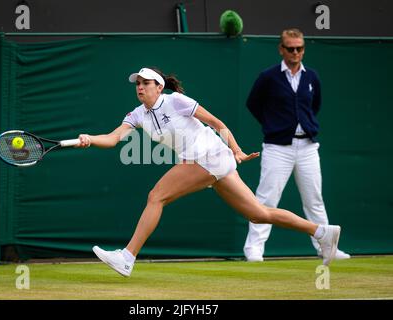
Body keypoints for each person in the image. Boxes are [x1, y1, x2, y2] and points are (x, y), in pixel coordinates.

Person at [75, 66, 342, 277]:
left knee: (157, 196)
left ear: (159, 86)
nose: (140, 87)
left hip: (210, 155)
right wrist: (89, 138)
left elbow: (216, 122)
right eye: (138, 84)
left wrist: (236, 150)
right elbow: (112, 138)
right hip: (208, 161)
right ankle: (321, 232)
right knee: (258, 214)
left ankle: (127, 257)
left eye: (146, 83)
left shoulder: (176, 101)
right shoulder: (137, 114)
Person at [243, 28, 350, 262]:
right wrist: (274, 124)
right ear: (281, 49)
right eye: (290, 48)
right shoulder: (268, 77)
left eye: (299, 48)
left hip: (308, 146)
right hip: (277, 147)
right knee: (266, 198)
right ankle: (254, 249)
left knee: (314, 199)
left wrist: (305, 124)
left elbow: (315, 105)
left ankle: (327, 248)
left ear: (303, 49)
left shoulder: (312, 77)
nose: (295, 52)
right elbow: (253, 104)